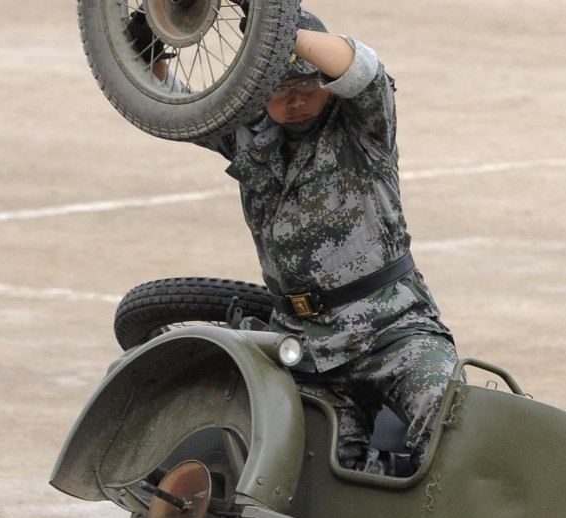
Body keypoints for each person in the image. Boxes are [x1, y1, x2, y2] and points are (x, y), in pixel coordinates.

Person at [128, 8, 457, 474]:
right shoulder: (249, 135)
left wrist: (273, 28)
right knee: (309, 471)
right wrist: (146, 44)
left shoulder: (361, 126)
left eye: (307, 85)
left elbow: (361, 69)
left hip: (391, 331)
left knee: (450, 416)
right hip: (302, 345)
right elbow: (174, 103)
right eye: (279, 89)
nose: (295, 99)